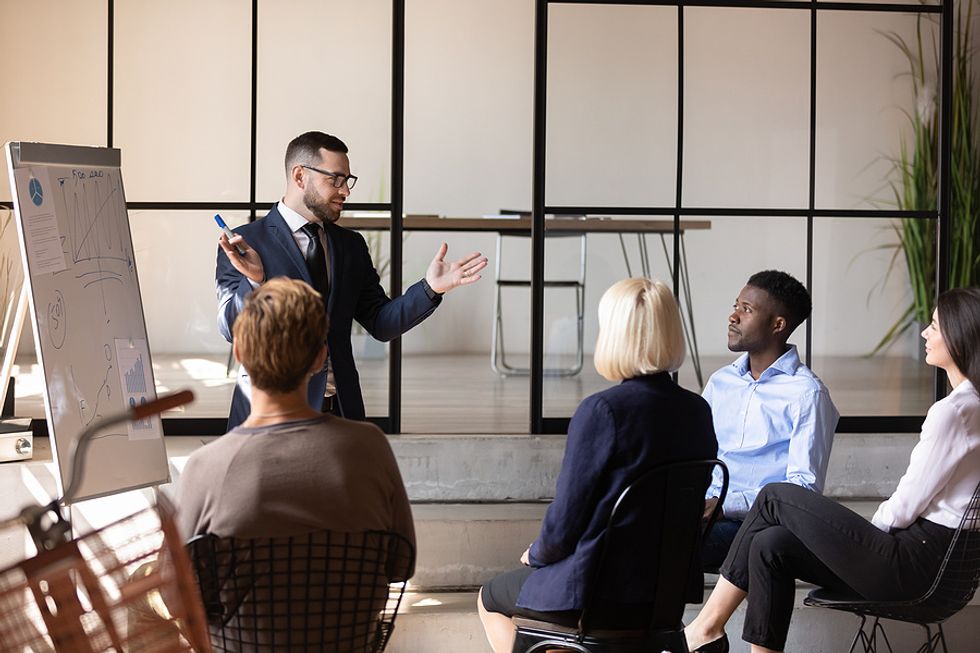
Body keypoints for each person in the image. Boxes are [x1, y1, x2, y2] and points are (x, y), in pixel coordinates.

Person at [684, 287, 980, 653]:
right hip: (935, 563)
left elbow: (905, 505)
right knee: (768, 543)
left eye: (934, 326)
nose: (924, 333)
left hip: (914, 565)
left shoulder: (954, 412)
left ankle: (705, 627)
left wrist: (862, 539)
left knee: (776, 494)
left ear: (960, 335)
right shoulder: (971, 408)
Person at [477, 278, 718, 653]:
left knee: (490, 596)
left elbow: (563, 526)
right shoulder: (698, 411)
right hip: (662, 600)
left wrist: (536, 554)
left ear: (615, 335)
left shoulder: (603, 411)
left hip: (594, 593)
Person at [216, 130, 488, 429]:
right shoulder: (247, 242)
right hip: (266, 415)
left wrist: (430, 289)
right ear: (299, 176)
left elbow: (381, 323)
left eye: (348, 180)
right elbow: (231, 328)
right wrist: (255, 281)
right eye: (336, 179)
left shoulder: (350, 245)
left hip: (340, 415)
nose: (345, 190)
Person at [177, 277, 414, 547]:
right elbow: (399, 562)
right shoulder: (370, 447)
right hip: (348, 590)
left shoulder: (205, 467)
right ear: (321, 357)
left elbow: (180, 575)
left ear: (239, 353)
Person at [701, 270, 839, 569]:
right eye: (736, 306)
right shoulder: (720, 381)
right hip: (703, 510)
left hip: (754, 524)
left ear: (778, 324)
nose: (733, 317)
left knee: (664, 542)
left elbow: (803, 489)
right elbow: (697, 452)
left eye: (746, 310)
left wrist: (724, 507)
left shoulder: (807, 394)